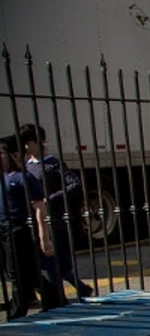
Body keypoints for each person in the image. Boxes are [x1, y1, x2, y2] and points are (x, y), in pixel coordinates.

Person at [19, 124, 92, 298]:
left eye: (27, 143)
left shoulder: (53, 163)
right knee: (48, 262)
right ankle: (77, 289)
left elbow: (75, 184)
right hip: (36, 220)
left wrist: (50, 198)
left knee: (57, 262)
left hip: (55, 219)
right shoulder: (27, 166)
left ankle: (64, 297)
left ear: (36, 142)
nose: (24, 148)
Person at [0, 135, 60, 318]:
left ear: (15, 155)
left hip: (17, 231)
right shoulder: (3, 177)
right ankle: (57, 301)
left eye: (1, 153)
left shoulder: (23, 178)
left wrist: (44, 237)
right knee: (31, 275)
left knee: (17, 277)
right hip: (3, 230)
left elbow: (40, 208)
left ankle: (15, 319)